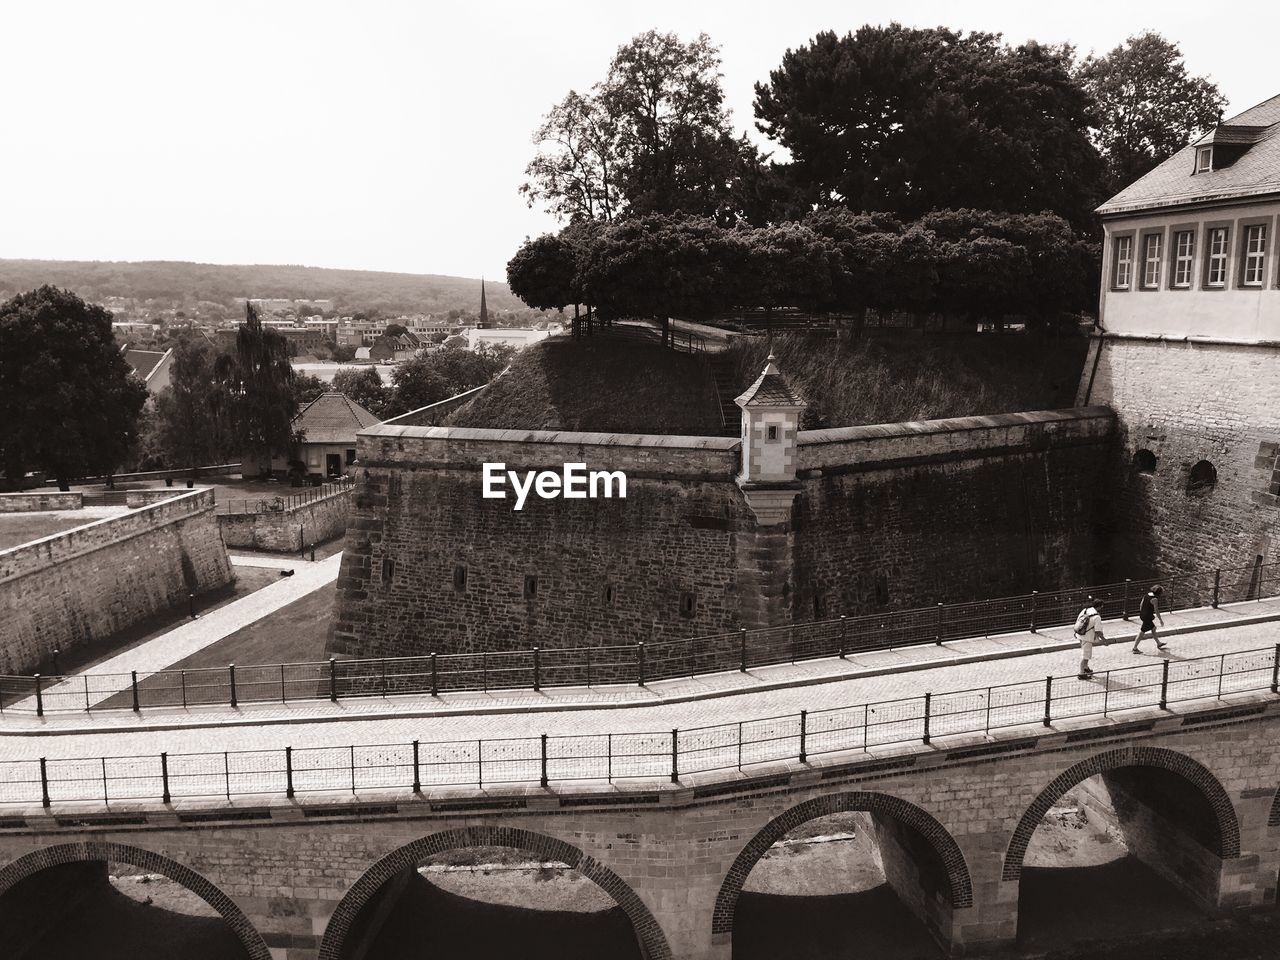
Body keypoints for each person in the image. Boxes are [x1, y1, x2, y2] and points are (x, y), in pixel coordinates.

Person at [1132, 585, 1166, 653]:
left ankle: (1158, 643)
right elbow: (1156, 610)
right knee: (1142, 632)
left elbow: (1141, 605)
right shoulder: (1155, 599)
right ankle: (1134, 648)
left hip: (1143, 615)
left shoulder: (1146, 595)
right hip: (1147, 617)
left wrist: (1142, 612)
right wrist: (1160, 620)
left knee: (1153, 628)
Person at [1076, 600, 1104, 679]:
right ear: (1099, 606)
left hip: (1081, 634)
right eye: (1102, 606)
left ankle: (1086, 667)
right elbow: (1098, 631)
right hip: (1087, 637)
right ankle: (1081, 673)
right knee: (1085, 655)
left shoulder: (1085, 610)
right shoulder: (1097, 617)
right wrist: (1104, 640)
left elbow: (1078, 620)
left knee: (1087, 654)